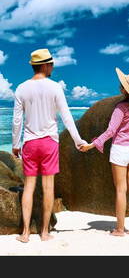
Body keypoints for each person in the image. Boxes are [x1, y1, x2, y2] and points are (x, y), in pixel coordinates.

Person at [12, 48, 87, 242]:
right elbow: (67, 117)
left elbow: (16, 121)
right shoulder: (55, 87)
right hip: (49, 143)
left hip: (29, 142)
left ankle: (26, 232)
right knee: (48, 188)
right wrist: (78, 141)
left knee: (28, 187)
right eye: (51, 64)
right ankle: (44, 232)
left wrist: (15, 144)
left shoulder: (21, 88)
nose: (53, 67)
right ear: (45, 65)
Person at [80, 67, 129, 237]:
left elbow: (110, 131)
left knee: (120, 190)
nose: (119, 87)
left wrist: (92, 145)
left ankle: (119, 229)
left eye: (121, 85)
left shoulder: (121, 107)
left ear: (125, 89)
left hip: (120, 151)